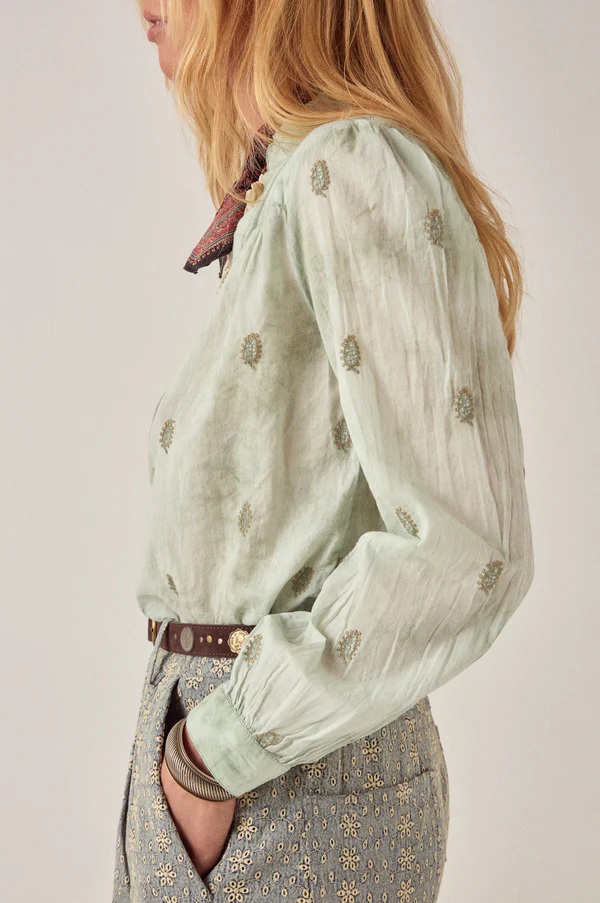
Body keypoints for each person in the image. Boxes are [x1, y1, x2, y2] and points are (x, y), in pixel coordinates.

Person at [112, 1, 535, 900]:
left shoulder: (350, 167)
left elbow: (467, 543)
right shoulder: (291, 181)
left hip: (279, 783)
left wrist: (211, 758)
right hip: (239, 767)